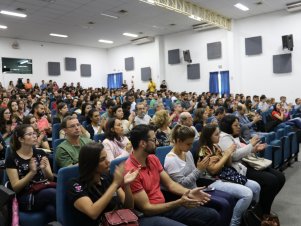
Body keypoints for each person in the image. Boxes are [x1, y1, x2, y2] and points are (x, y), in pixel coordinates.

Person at [124, 124, 220, 226]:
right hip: (148, 216)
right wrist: (179, 202)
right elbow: (147, 209)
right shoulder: (130, 171)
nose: (157, 142)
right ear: (143, 143)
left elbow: (170, 184)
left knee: (212, 215)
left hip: (164, 207)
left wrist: (189, 192)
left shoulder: (152, 159)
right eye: (153, 140)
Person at [68, 142, 172, 226]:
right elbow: (93, 213)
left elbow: (129, 207)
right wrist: (115, 184)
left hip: (122, 221)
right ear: (91, 164)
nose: (108, 162)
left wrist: (126, 186)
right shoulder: (75, 185)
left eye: (106, 157)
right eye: (102, 159)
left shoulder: (107, 178)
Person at [164, 124, 236, 226]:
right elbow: (181, 184)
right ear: (179, 141)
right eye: (188, 144)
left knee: (229, 198)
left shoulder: (186, 152)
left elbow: (195, 176)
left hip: (196, 189)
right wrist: (199, 169)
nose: (191, 147)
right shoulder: (171, 160)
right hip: (187, 195)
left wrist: (204, 165)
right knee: (223, 205)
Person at [218, 115, 285, 217]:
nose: (239, 127)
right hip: (237, 169)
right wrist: (251, 145)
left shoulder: (233, 136)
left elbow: (242, 151)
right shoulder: (224, 138)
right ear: (228, 126)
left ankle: (263, 207)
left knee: (280, 177)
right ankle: (262, 212)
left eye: (238, 124)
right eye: (235, 125)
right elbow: (234, 156)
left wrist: (254, 149)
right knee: (271, 181)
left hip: (246, 164)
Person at [198, 124, 261, 226]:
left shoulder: (216, 146)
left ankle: (249, 215)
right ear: (209, 136)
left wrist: (229, 154)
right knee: (247, 194)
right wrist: (226, 155)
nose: (219, 136)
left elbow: (228, 164)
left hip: (224, 175)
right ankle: (234, 222)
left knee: (256, 187)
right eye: (216, 134)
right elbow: (213, 171)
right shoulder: (203, 150)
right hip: (212, 181)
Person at [5, 124, 56, 222]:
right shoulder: (12, 159)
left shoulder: (41, 153)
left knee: (51, 210)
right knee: (53, 193)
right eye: (30, 134)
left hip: (43, 188)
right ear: (21, 139)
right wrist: (32, 172)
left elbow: (51, 178)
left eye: (34, 133)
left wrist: (45, 169)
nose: (34, 136)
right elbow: (16, 187)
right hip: (25, 196)